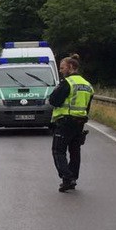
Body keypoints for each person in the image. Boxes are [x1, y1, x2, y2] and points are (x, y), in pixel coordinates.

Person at [48, 53, 94, 192]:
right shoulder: (87, 85)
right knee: (75, 151)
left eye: (62, 68)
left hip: (65, 121)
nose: (61, 71)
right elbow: (87, 106)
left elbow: (54, 100)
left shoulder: (68, 83)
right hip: (80, 122)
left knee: (58, 151)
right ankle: (73, 177)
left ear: (71, 67)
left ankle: (67, 178)